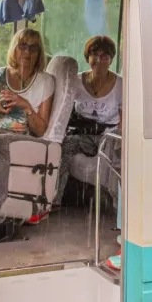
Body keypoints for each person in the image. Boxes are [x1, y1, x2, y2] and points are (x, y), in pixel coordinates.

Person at [57, 35, 123, 270]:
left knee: (114, 155)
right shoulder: (75, 81)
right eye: (95, 54)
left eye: (105, 54)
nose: (99, 59)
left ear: (111, 59)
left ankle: (118, 214)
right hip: (83, 132)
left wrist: (118, 137)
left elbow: (125, 121)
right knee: (64, 147)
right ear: (88, 57)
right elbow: (64, 113)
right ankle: (54, 202)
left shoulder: (121, 84)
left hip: (110, 134)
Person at [0, 29, 55, 230]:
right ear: (14, 49)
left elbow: (41, 129)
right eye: (22, 46)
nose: (27, 52)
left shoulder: (45, 81)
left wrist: (26, 105)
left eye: (33, 47)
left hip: (23, 138)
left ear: (39, 52)